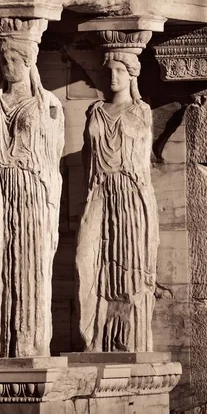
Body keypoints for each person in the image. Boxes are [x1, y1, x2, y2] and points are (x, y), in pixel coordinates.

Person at [0, 36, 64, 358]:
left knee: (31, 265)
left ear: (29, 62)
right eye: (3, 61)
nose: (8, 67)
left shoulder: (48, 104)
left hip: (32, 191)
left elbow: (53, 156)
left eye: (14, 60)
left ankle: (28, 345)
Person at [76, 50, 158, 352]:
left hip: (130, 195)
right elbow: (87, 156)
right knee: (86, 262)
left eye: (119, 71)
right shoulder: (94, 111)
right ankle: (94, 337)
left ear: (131, 74)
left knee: (129, 269)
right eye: (108, 71)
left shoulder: (141, 111)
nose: (113, 77)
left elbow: (142, 162)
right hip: (98, 191)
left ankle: (126, 342)